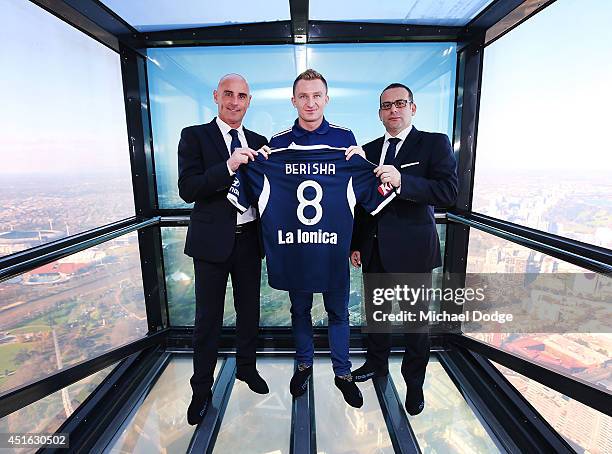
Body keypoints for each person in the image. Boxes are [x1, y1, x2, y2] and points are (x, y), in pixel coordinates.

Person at [346, 83, 458, 415]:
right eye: (386, 105)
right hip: (375, 250)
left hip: (413, 252)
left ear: (412, 107)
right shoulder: (368, 148)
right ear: (380, 113)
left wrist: (402, 180)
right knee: (377, 318)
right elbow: (364, 204)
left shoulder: (434, 143)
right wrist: (356, 243)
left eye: (399, 103)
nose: (392, 110)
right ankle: (375, 365)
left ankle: (414, 384)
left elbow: (448, 192)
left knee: (415, 326)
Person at [178, 74, 270, 425]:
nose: (234, 101)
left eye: (242, 96)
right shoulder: (194, 136)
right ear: (216, 96)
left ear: (250, 101)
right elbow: (189, 188)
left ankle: (247, 368)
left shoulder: (260, 141)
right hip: (211, 244)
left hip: (249, 240)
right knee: (208, 321)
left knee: (250, 312)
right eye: (228, 94)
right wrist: (229, 165)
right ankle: (201, 390)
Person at [269, 69, 363, 407]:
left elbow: (358, 195)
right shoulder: (277, 143)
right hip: (296, 248)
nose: (310, 102)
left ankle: (343, 372)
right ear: (294, 100)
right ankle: (304, 364)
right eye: (303, 96)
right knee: (300, 310)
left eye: (316, 95)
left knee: (339, 312)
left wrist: (355, 242)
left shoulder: (345, 137)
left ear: (326, 98)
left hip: (333, 247)